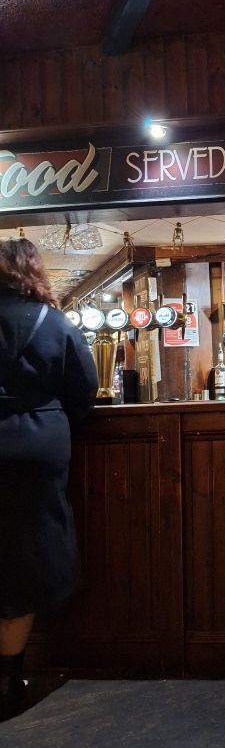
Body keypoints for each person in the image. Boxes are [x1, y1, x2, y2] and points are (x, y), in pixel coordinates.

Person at [0, 238, 97, 720]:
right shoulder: (53, 322)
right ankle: (9, 679)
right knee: (27, 556)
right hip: (36, 444)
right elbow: (84, 390)